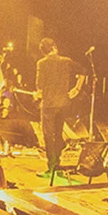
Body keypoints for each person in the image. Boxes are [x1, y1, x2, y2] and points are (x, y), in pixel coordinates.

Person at [35, 38, 86, 177]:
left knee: (48, 136)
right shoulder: (66, 61)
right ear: (54, 47)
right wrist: (77, 88)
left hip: (49, 105)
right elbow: (83, 71)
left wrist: (37, 95)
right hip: (63, 104)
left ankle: (51, 167)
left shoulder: (42, 63)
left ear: (43, 51)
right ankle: (57, 166)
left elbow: (40, 86)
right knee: (58, 135)